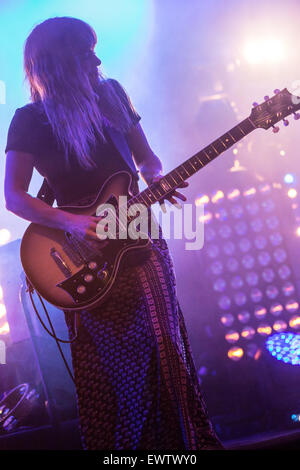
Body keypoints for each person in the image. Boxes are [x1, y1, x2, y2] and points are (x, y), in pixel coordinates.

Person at [4, 16, 222, 450]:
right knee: (107, 370)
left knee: (165, 348)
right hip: (78, 252)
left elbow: (148, 160)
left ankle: (186, 449)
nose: (97, 60)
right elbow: (13, 197)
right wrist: (69, 221)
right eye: (86, 52)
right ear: (60, 62)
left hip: (141, 236)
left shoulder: (112, 94)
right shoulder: (29, 119)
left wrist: (158, 177)